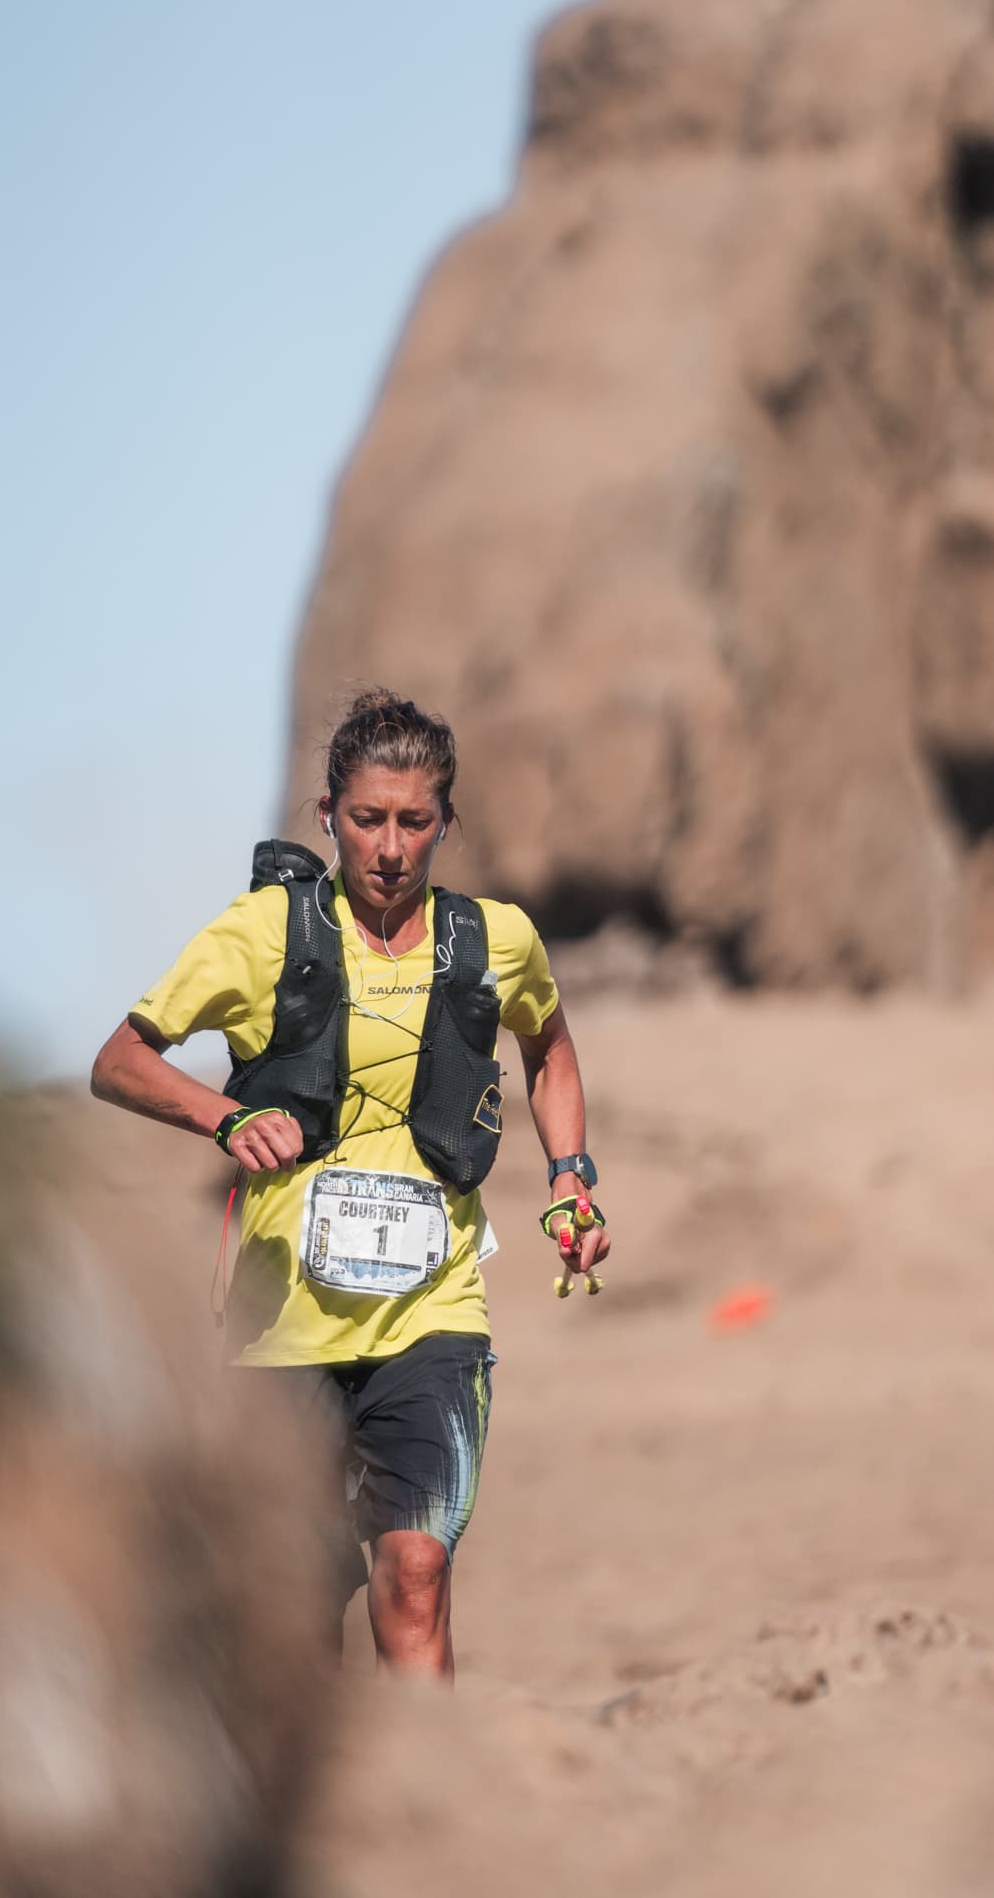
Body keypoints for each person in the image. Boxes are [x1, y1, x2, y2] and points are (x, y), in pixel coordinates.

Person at [90, 688, 610, 1678]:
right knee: (290, 1612)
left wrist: (571, 1180)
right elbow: (120, 1059)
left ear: (446, 821)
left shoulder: (493, 941)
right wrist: (226, 1117)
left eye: (415, 821)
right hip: (277, 1331)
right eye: (368, 818)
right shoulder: (261, 933)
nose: (391, 847)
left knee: (414, 1575)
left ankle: (430, 1770)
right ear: (328, 813)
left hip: (431, 1319)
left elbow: (548, 1048)